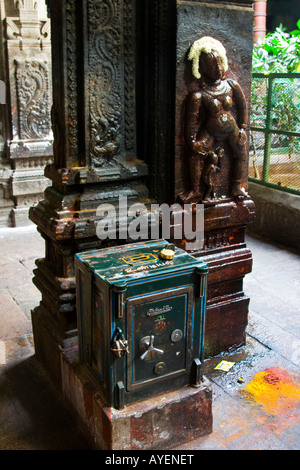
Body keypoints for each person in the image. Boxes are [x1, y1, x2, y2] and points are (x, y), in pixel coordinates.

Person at [184, 36, 248, 200]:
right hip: (211, 131)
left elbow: (242, 106)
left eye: (219, 63)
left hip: (231, 128)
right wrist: (192, 142)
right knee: (195, 156)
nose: (217, 68)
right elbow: (191, 123)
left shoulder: (231, 86)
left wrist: (243, 128)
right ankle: (196, 190)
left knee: (241, 153)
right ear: (202, 69)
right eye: (212, 66)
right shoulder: (199, 95)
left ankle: (236, 187)